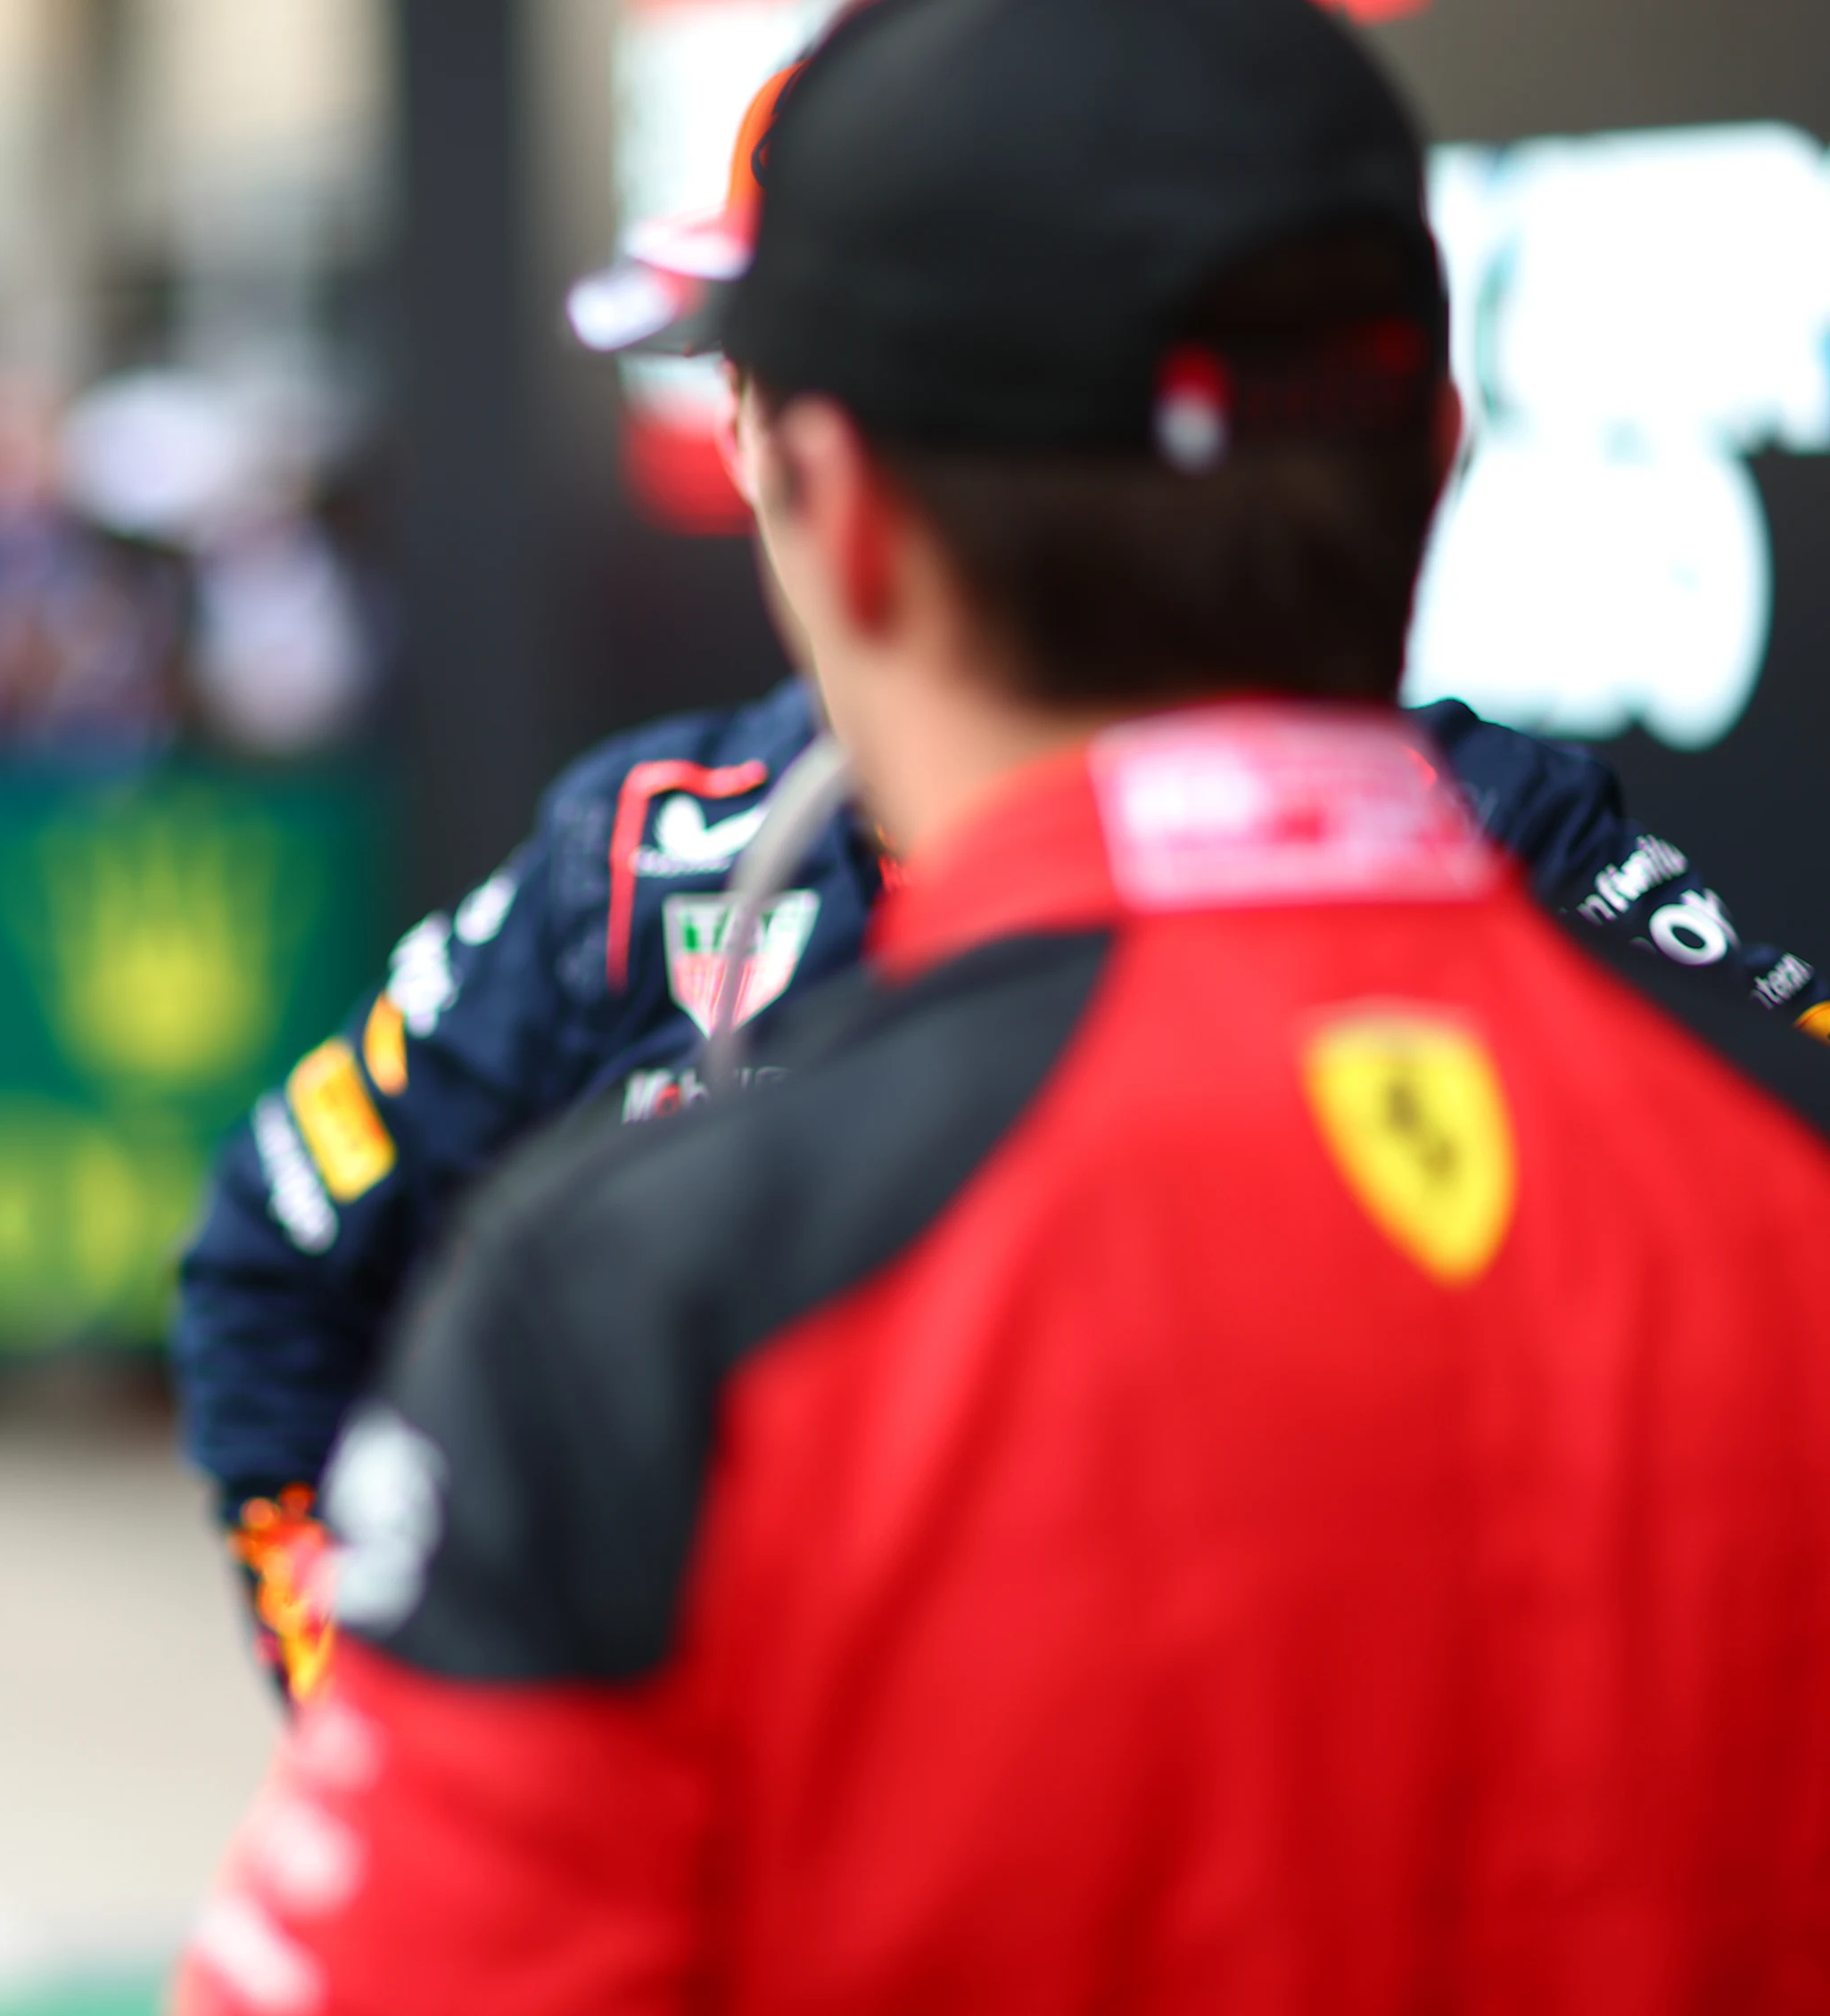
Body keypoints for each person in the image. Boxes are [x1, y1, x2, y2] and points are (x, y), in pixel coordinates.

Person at [179, 0, 1830, 2006]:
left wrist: (461, 1712)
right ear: (1439, 457)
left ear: (836, 495)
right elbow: (270, 1264)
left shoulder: (633, 1312)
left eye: (748, 387)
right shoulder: (1764, 1141)